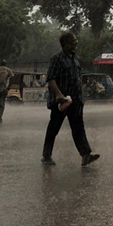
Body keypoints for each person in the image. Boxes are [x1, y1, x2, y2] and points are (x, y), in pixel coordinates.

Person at [42, 31, 100, 167]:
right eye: (73, 41)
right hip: (61, 101)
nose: (76, 43)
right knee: (53, 128)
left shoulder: (76, 58)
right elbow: (50, 78)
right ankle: (46, 156)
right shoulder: (56, 59)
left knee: (78, 128)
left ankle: (86, 155)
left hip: (75, 101)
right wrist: (58, 94)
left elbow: (77, 78)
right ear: (65, 44)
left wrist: (80, 97)